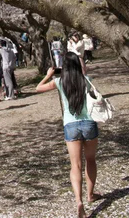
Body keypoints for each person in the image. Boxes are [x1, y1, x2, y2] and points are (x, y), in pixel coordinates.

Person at [36, 52, 101, 218]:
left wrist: (48, 75)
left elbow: (38, 88)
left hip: (70, 125)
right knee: (91, 160)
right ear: (78, 66)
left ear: (63, 67)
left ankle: (79, 201)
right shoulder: (87, 80)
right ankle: (90, 195)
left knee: (75, 165)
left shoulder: (59, 82)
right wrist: (83, 68)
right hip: (88, 124)